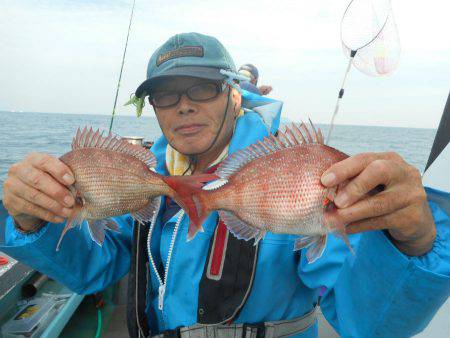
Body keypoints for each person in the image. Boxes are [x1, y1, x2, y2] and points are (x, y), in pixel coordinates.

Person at [1, 32, 449, 338]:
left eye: (202, 88)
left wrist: (412, 243)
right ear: (153, 108)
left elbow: (370, 323)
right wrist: (29, 220)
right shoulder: (145, 177)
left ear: (235, 93)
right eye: (165, 95)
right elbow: (94, 268)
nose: (183, 107)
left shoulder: (295, 173)